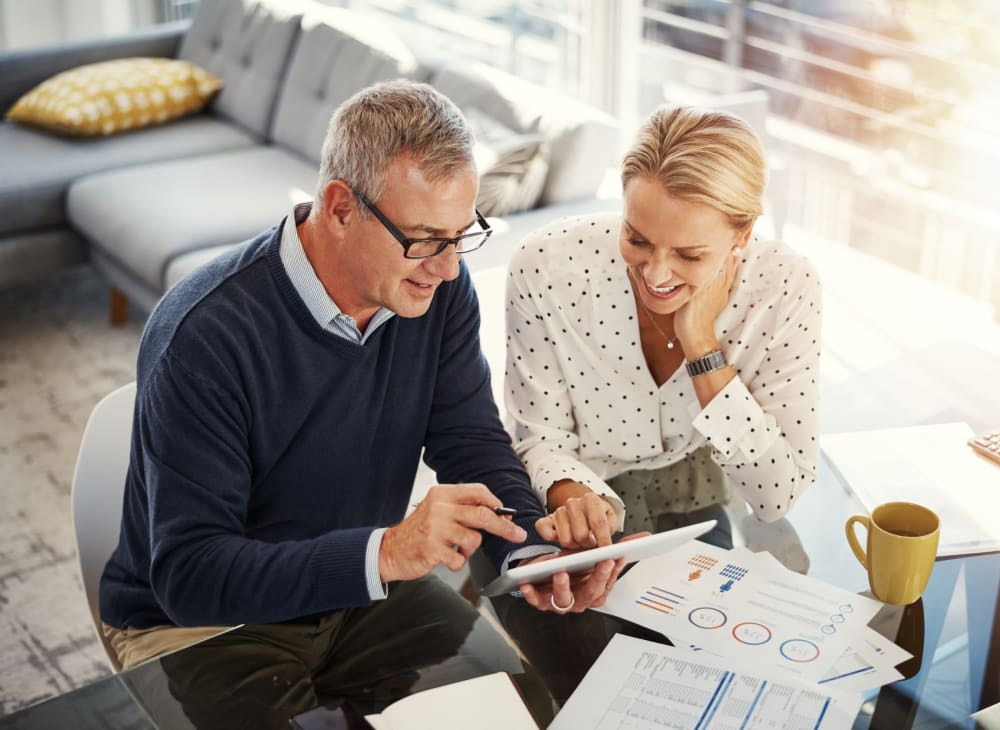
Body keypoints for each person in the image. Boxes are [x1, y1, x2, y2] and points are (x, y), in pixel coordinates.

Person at [97, 80, 624, 724]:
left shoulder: (434, 290)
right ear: (341, 207)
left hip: (361, 593)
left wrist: (528, 555)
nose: (451, 267)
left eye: (463, 234)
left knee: (519, 712)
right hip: (205, 622)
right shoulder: (205, 335)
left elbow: (470, 440)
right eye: (427, 238)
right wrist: (388, 553)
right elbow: (189, 577)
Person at [504, 104, 821, 548]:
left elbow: (775, 496)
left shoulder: (783, 287)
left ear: (743, 235)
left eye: (689, 255)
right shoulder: (546, 267)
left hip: (694, 486)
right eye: (636, 239)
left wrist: (702, 346)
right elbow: (540, 438)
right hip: (571, 486)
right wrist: (575, 502)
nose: (655, 275)